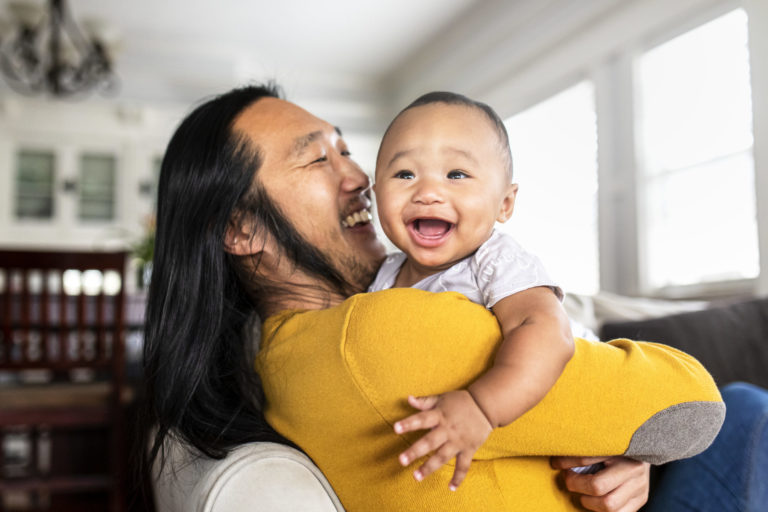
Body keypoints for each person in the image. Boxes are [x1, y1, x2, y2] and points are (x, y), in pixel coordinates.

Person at [138, 83, 757, 511]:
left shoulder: (276, 356)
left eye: (347, 150)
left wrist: (625, 452)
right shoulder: (384, 335)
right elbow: (693, 403)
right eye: (316, 161)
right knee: (746, 407)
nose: (359, 177)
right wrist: (642, 439)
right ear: (241, 229)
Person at [369, 91, 578, 489]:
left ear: (505, 203)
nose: (427, 192)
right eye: (404, 174)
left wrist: (482, 407)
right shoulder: (383, 278)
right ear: (377, 192)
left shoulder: (495, 259)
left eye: (457, 175)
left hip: (587, 412)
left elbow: (549, 331)